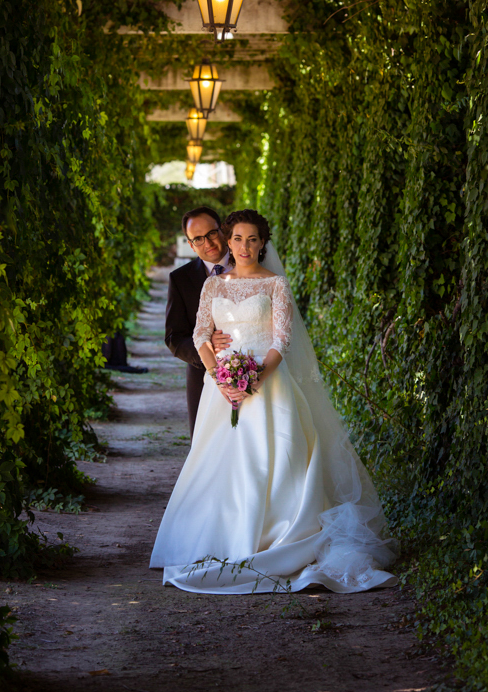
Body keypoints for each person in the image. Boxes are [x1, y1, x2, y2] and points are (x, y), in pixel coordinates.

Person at [151, 209, 399, 594]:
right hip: (222, 391)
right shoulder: (213, 287)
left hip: (268, 384)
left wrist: (253, 379)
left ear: (262, 242)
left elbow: (281, 340)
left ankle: (279, 536)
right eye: (238, 239)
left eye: (252, 240)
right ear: (229, 241)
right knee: (220, 466)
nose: (244, 246)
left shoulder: (276, 285)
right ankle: (222, 540)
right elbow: (199, 334)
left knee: (276, 462)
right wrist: (222, 379)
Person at [165, 207, 232, 436]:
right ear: (191, 244)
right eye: (198, 239)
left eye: (212, 233)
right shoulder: (180, 279)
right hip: (202, 377)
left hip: (257, 369)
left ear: (222, 229)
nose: (208, 243)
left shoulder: (251, 265)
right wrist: (207, 349)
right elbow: (174, 337)